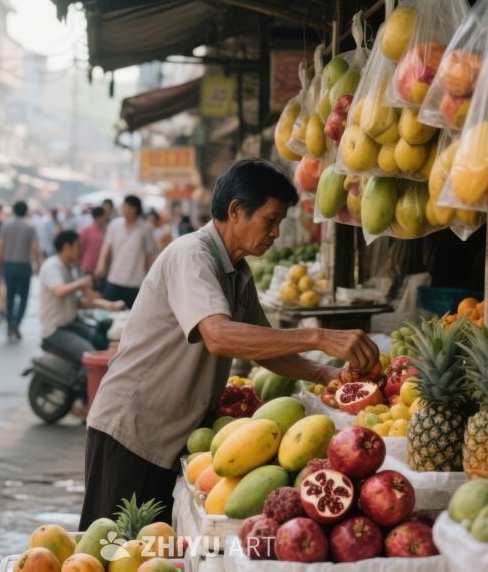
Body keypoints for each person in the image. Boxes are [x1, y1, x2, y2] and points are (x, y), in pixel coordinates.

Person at [79, 159, 380, 529]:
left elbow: (269, 348)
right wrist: (319, 336)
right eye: (270, 220)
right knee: (113, 552)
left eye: (279, 223)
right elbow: (219, 336)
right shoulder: (192, 254)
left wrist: (325, 373)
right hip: (132, 433)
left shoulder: (238, 272)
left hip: (170, 437)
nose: (275, 233)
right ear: (236, 210)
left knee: (151, 555)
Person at [39, 230, 125, 362]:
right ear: (67, 247)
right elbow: (59, 291)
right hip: (55, 330)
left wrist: (109, 305)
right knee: (90, 354)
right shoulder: (52, 266)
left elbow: (77, 302)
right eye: (78, 246)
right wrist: (81, 283)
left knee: (100, 339)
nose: (81, 250)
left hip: (72, 323)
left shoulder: (70, 268)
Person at [0, 201, 43, 341]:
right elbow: (35, 248)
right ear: (26, 211)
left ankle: (10, 323)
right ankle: (17, 321)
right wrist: (39, 264)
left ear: (13, 211)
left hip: (8, 266)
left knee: (10, 296)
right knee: (24, 297)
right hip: (24, 266)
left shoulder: (5, 226)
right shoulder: (30, 227)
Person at [95, 195, 156, 309]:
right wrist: (101, 264)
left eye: (127, 206)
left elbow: (149, 255)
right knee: (108, 311)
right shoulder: (114, 225)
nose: (124, 209)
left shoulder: (146, 228)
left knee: (133, 314)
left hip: (135, 280)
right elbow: (106, 246)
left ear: (135, 209)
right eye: (123, 206)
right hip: (115, 277)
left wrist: (152, 277)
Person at [78, 206, 107, 278]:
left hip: (101, 267)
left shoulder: (105, 230)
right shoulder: (86, 230)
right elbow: (79, 247)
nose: (105, 218)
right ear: (99, 217)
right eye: (104, 216)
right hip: (88, 267)